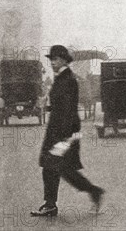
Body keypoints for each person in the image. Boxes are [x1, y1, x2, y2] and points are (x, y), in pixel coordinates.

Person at [30, 45, 104, 217]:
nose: (52, 63)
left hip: (64, 132)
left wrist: (64, 138)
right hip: (60, 130)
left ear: (63, 60)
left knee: (58, 167)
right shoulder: (62, 77)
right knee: (57, 167)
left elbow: (68, 109)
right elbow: (60, 105)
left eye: (55, 59)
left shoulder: (68, 79)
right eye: (51, 60)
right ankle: (53, 204)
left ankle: (92, 192)